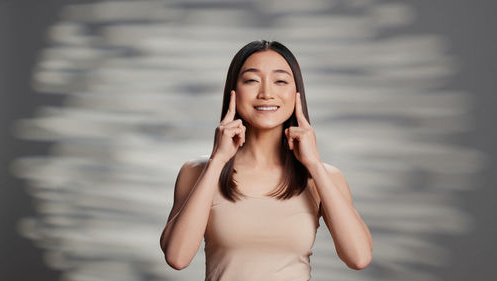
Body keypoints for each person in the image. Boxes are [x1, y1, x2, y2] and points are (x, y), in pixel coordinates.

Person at [159, 40, 373, 281]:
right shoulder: (197, 172)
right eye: (252, 80)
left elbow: (359, 257)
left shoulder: (324, 177)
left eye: (280, 81)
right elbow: (177, 257)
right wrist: (218, 160)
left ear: (297, 94)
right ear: (233, 91)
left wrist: (314, 164)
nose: (266, 93)